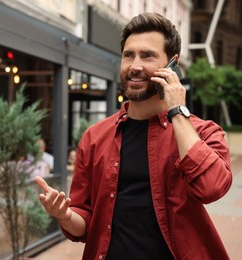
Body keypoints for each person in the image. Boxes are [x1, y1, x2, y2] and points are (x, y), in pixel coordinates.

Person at [35, 12, 232, 260]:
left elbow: (212, 188)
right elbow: (84, 223)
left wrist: (177, 111)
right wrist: (65, 215)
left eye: (147, 55)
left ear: (172, 64)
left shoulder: (203, 132)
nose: (135, 66)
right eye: (128, 55)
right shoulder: (95, 137)